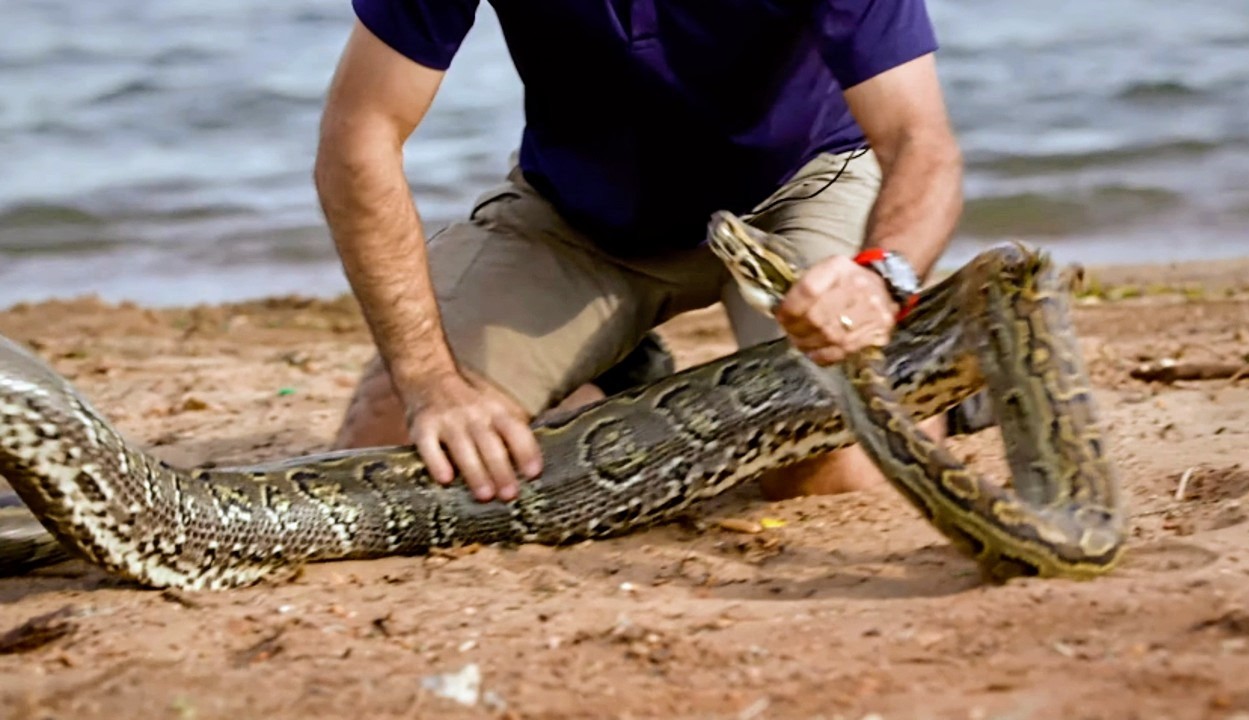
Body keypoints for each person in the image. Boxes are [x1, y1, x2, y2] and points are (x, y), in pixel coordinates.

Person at [314, 0, 966, 505]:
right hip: (580, 215)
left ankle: (946, 383)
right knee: (393, 443)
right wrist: (430, 382)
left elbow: (919, 141)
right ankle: (617, 379)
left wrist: (880, 278)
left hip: (801, 186)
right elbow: (359, 137)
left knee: (828, 470)